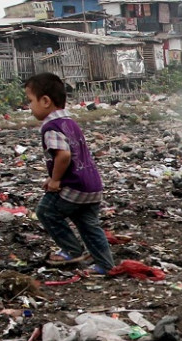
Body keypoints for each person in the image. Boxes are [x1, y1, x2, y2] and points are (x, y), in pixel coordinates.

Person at [23, 72, 115, 275]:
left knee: (46, 211)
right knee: (89, 225)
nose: (29, 107)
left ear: (45, 101)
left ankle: (71, 250)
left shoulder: (51, 127)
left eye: (30, 101)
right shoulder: (70, 123)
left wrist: (55, 180)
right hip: (92, 186)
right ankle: (105, 265)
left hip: (73, 186)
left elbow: (63, 156)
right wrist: (52, 177)